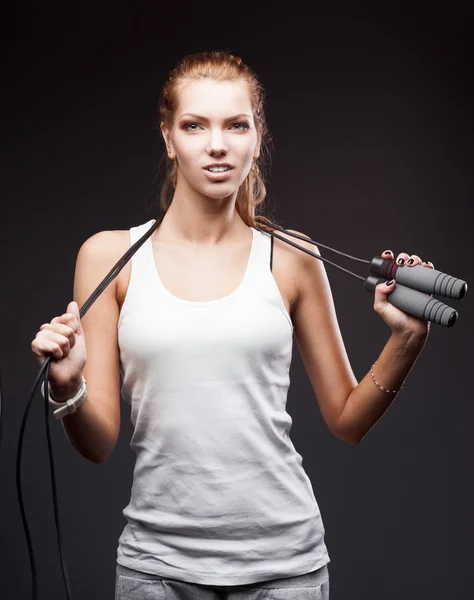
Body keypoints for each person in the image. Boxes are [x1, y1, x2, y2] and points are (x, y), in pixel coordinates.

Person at [31, 51, 433, 600]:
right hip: (157, 569)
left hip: (286, 568)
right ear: (169, 139)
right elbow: (98, 444)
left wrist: (407, 339)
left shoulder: (295, 259)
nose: (216, 145)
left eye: (235, 125)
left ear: (256, 137)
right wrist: (68, 386)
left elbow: (347, 420)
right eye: (195, 126)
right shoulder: (109, 257)